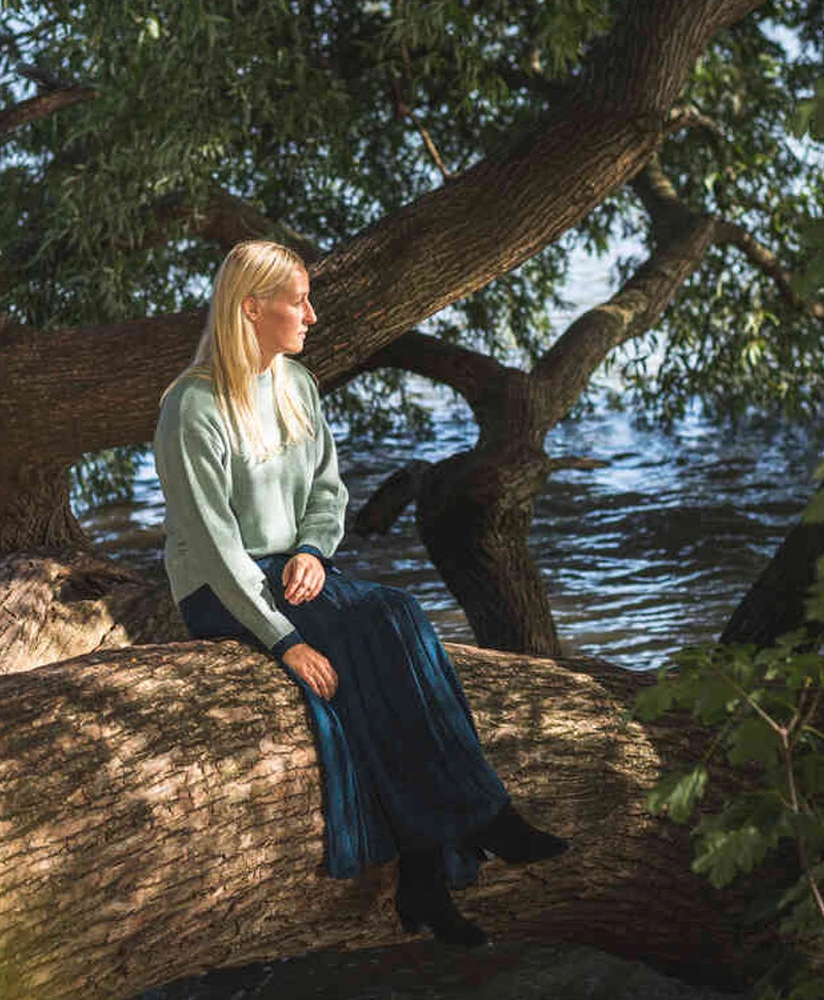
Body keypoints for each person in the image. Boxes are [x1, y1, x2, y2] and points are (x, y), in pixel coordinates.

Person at [152, 239, 568, 946]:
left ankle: (426, 870)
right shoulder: (191, 407)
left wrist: (314, 551)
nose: (312, 315)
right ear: (251, 308)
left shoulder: (297, 385)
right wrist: (285, 642)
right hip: (222, 588)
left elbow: (328, 492)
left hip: (294, 570)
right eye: (298, 302)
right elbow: (216, 546)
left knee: (394, 626)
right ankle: (479, 822)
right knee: (388, 618)